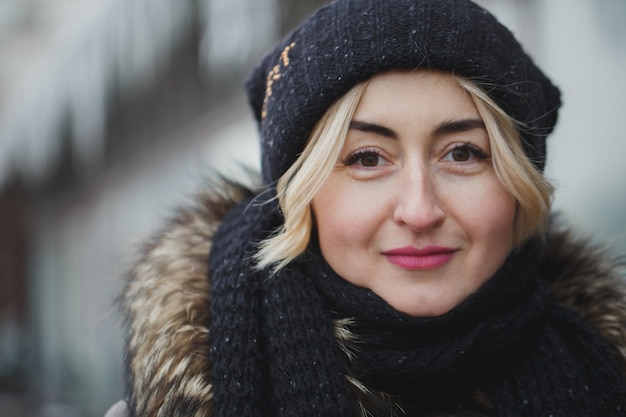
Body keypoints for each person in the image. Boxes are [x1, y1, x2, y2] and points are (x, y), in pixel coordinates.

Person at [107, 0, 626, 416]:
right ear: (299, 195)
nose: (420, 211)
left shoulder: (605, 376)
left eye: (463, 153)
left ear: (518, 184)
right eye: (367, 158)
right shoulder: (181, 399)